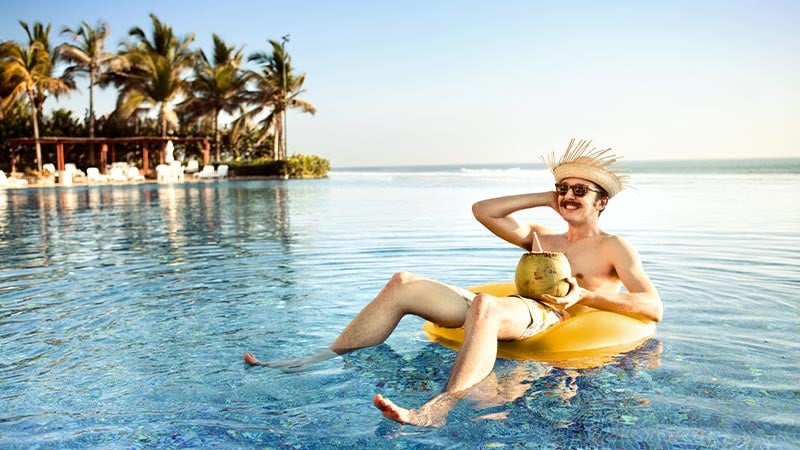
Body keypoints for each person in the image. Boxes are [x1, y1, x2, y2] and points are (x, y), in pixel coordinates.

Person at [244, 138, 663, 427]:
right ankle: (317, 358)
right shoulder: (542, 235)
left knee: (484, 306)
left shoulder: (614, 246)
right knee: (403, 281)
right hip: (515, 308)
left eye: (580, 191)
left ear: (601, 202)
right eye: (563, 189)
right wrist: (543, 196)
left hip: (555, 316)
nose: (569, 196)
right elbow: (483, 210)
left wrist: (587, 293)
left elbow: (652, 306)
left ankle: (439, 407)